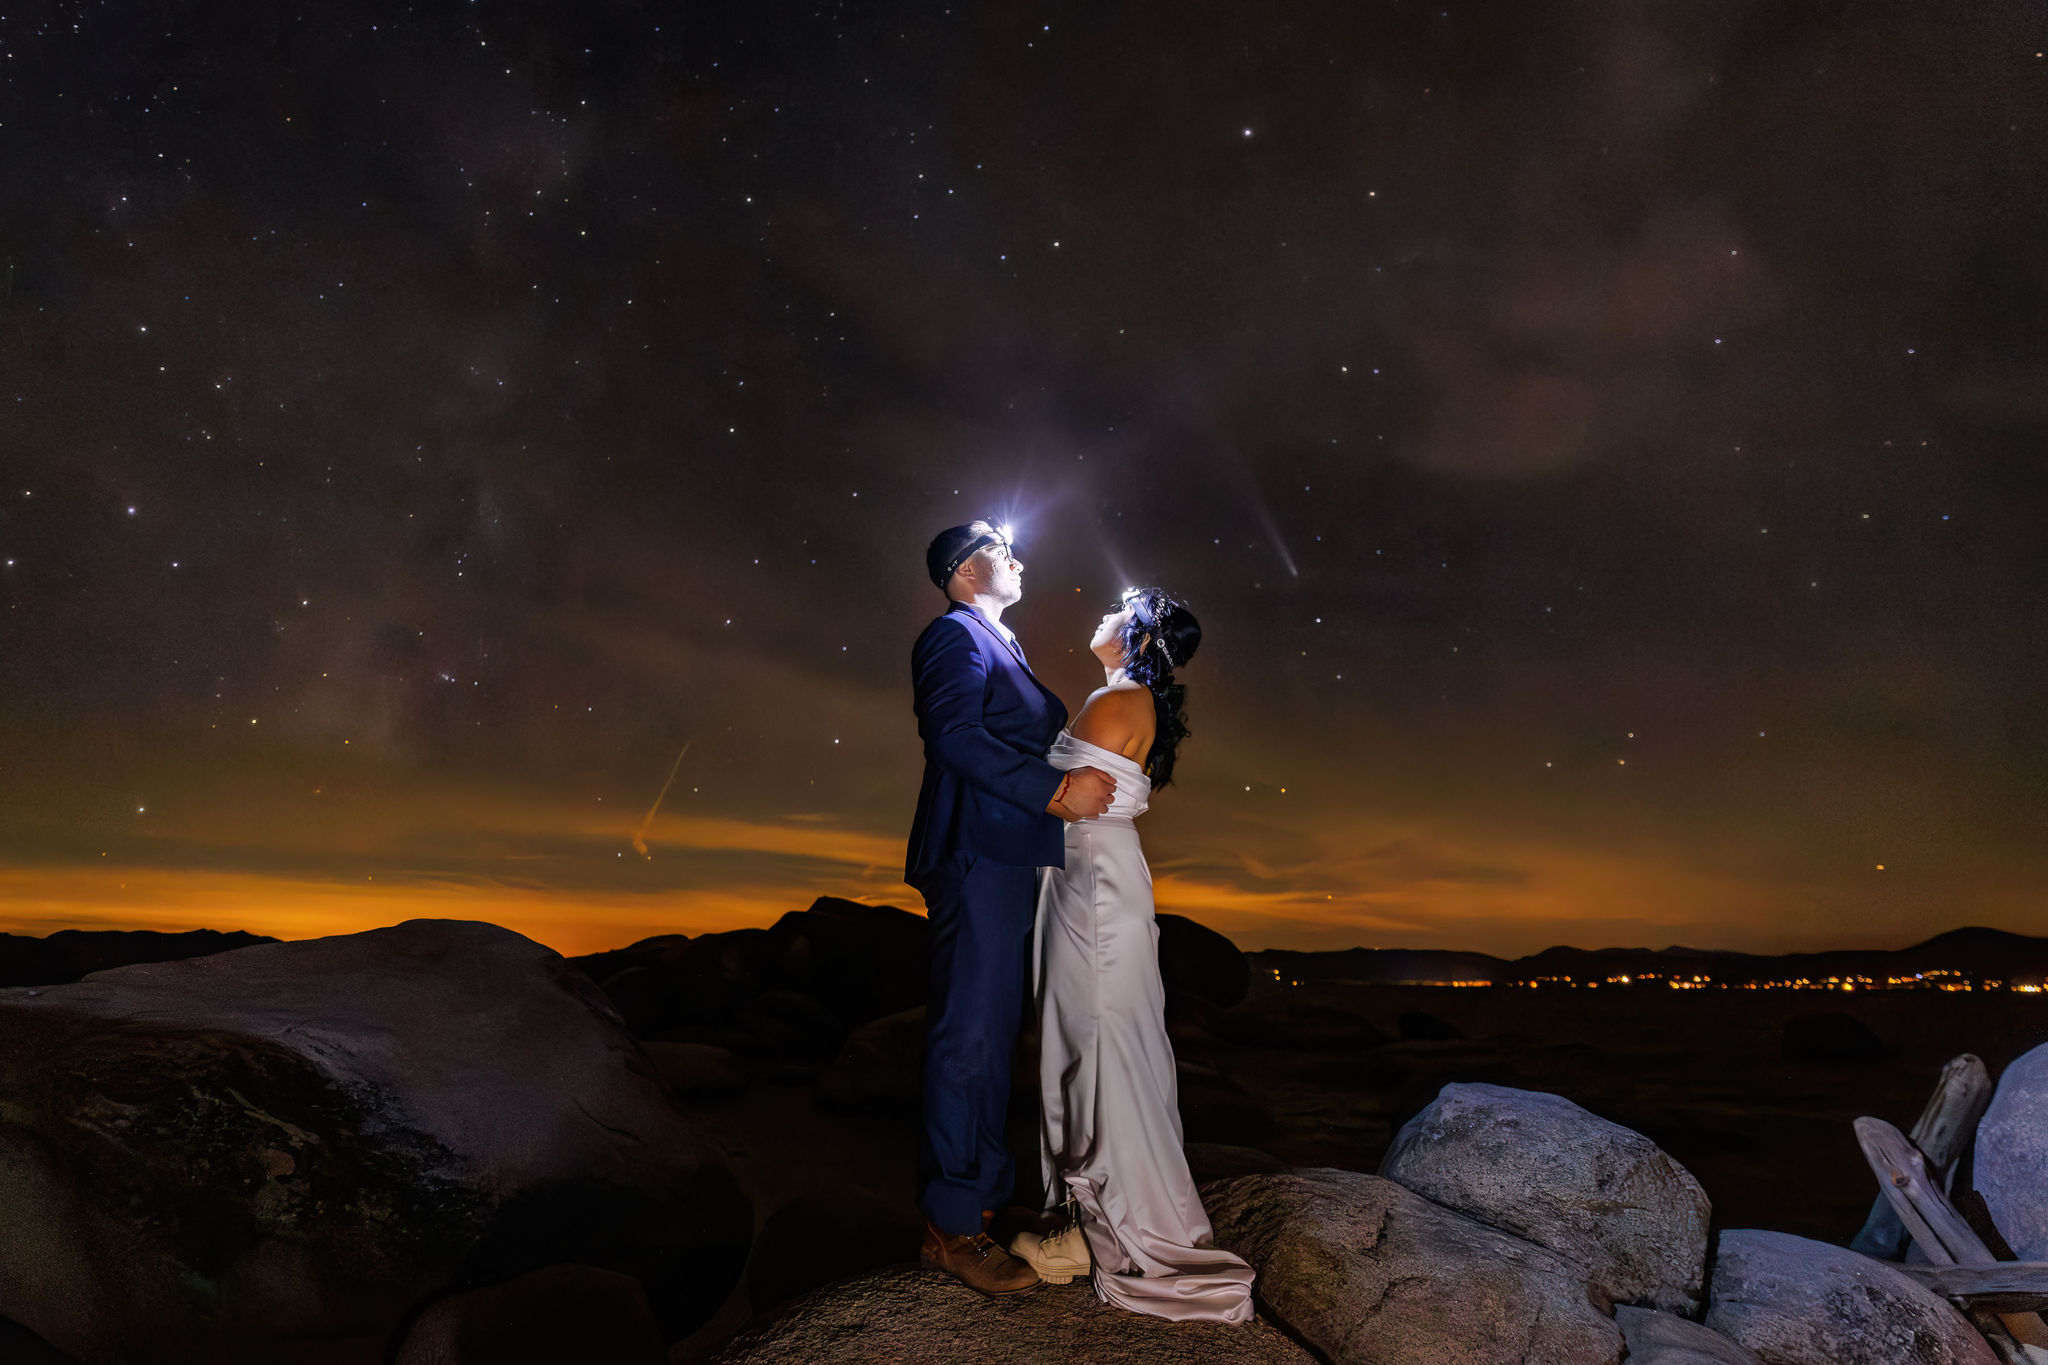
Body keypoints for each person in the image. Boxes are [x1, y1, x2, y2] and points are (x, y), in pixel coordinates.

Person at [1012, 586, 1256, 1322]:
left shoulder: (1118, 698)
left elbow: (1051, 794)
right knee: (1097, 1034)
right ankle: (1092, 1217)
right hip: (1092, 874)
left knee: (1099, 1037)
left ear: (1141, 636)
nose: (1104, 613)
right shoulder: (1131, 700)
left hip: (1090, 880)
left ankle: (1106, 1228)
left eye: (1121, 607)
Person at [905, 520, 1119, 1295]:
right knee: (968, 1033)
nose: (1019, 556)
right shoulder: (953, 636)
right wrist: (1056, 791)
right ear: (964, 570)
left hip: (1007, 858)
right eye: (1002, 547)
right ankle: (949, 1225)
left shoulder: (1003, 643)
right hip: (975, 853)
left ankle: (985, 1200)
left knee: (993, 1035)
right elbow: (954, 735)